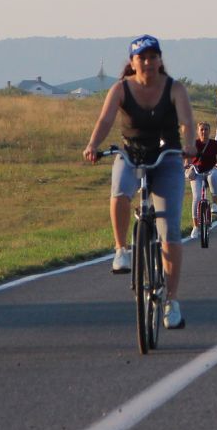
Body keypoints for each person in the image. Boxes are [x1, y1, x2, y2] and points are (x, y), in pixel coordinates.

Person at [82, 35, 197, 329]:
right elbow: (105, 120)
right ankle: (122, 249)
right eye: (141, 58)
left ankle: (171, 300)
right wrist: (93, 145)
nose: (147, 63)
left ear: (160, 60)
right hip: (131, 154)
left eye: (152, 57)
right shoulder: (121, 88)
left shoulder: (174, 88)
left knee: (170, 231)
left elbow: (187, 121)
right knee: (120, 192)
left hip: (168, 156)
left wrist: (189, 145)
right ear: (132, 63)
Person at [185, 120, 217, 240]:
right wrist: (188, 165)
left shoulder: (215, 144)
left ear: (209, 131)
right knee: (196, 197)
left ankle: (214, 204)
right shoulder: (193, 144)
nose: (204, 131)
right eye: (201, 129)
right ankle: (195, 226)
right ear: (198, 131)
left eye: (206, 129)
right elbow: (187, 159)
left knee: (213, 177)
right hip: (197, 171)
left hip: (212, 170)